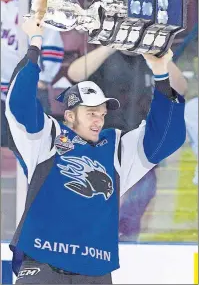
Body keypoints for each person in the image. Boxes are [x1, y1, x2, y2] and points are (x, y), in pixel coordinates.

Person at [5, 0, 186, 284]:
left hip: (96, 271)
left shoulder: (116, 149)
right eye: (90, 112)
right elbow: (19, 105)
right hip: (43, 266)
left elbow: (166, 136)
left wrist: (161, 73)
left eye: (101, 112)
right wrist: (35, 42)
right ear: (69, 115)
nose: (99, 118)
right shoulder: (46, 138)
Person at [67, 41, 187, 241]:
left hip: (140, 152)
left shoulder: (149, 58)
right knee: (95, 220)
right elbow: (74, 73)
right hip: (102, 152)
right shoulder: (104, 58)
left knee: (130, 224)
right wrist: (112, 43)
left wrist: (157, 53)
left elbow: (181, 87)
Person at [1, 0, 64, 146]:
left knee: (38, 149)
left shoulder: (34, 5)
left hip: (30, 89)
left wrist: (43, 78)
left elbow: (53, 44)